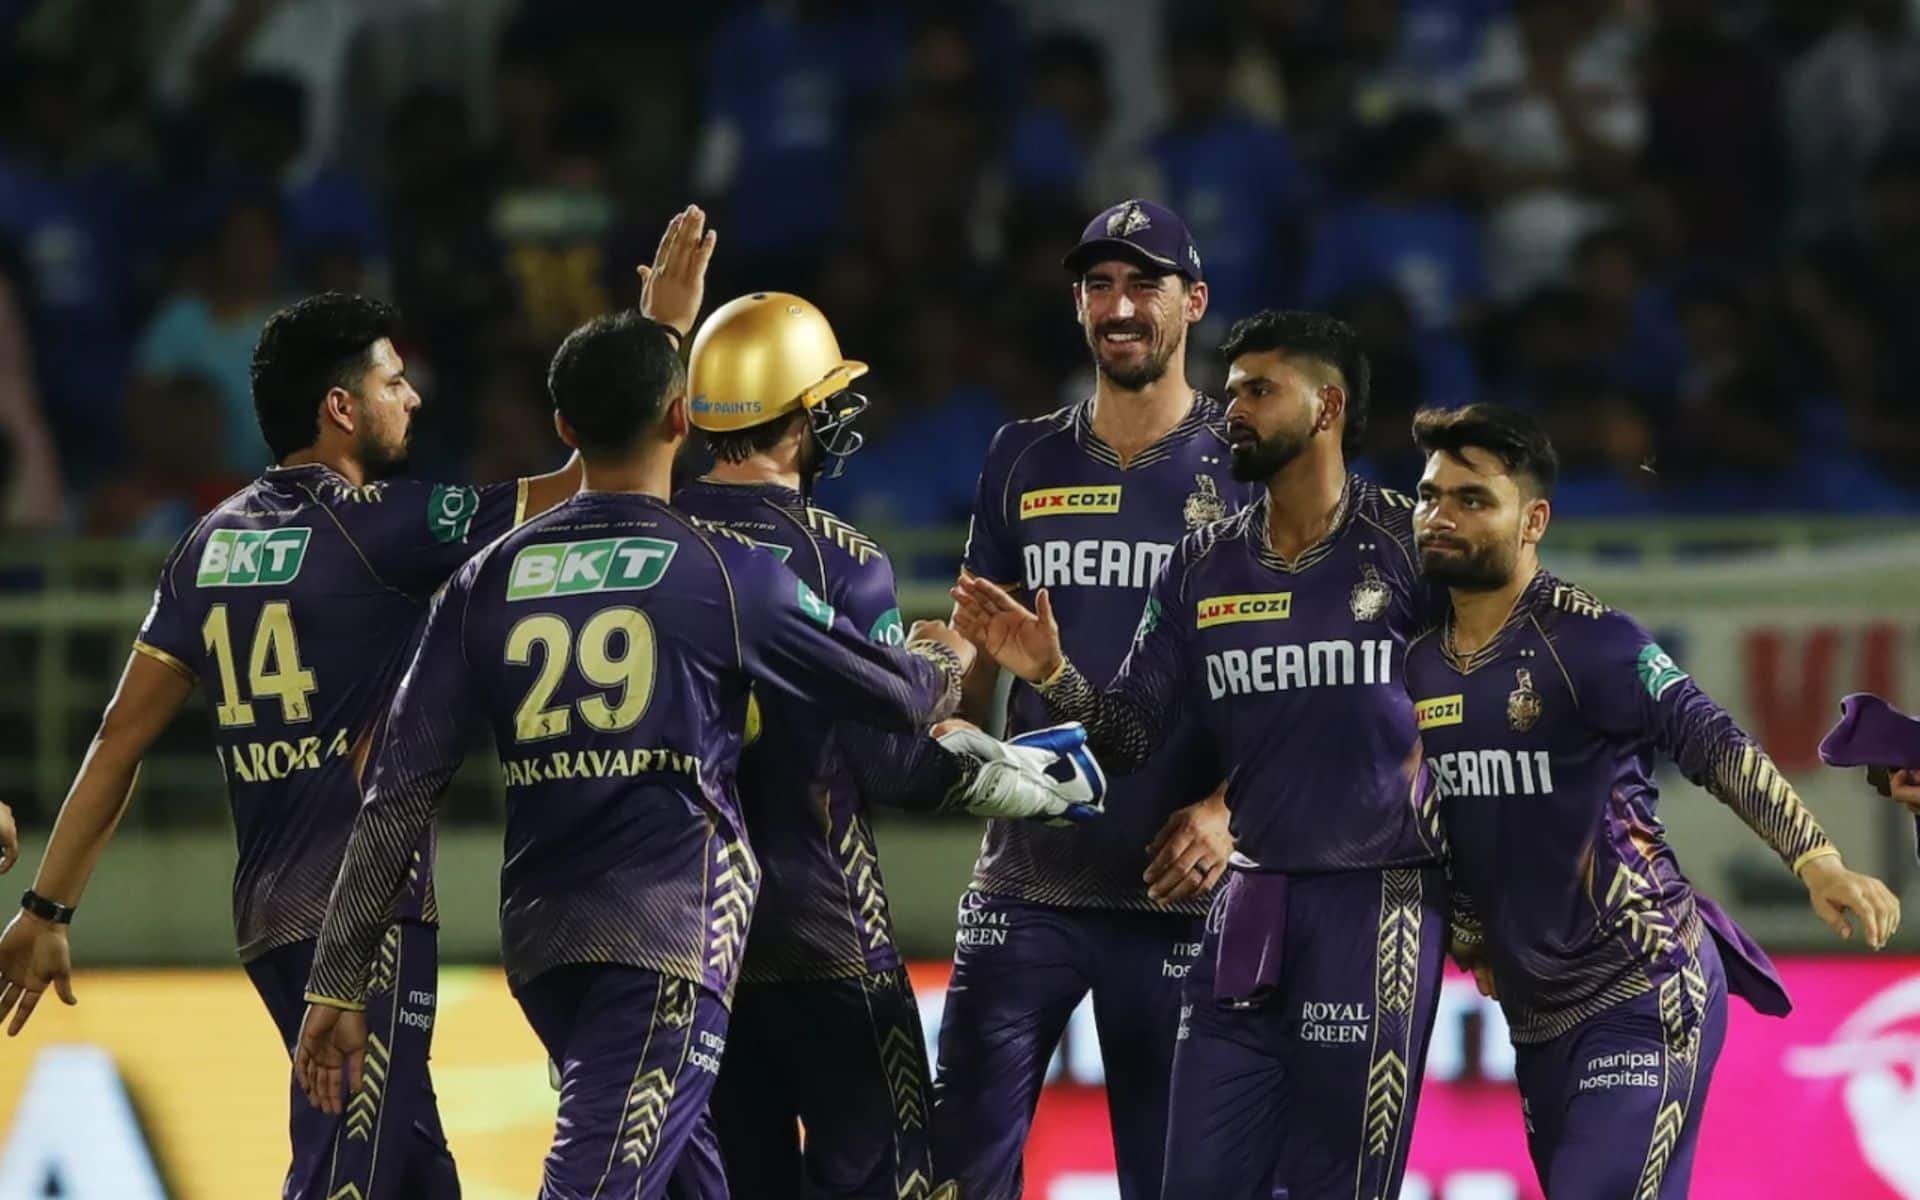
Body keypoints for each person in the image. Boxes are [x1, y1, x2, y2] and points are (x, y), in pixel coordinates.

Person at [289, 310, 1096, 1200]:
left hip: (559, 946)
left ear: (568, 430)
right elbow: (898, 735)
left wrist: (336, 976)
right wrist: (959, 667)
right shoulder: (744, 566)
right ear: (679, 418)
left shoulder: (486, 578)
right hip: (751, 938)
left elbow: (396, 794)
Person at [0, 291, 587, 1199]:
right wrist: (658, 338)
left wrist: (48, 907)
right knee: (345, 1174)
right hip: (364, 919)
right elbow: (587, 486)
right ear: (341, 407)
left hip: (269, 917)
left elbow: (119, 738)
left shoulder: (209, 542)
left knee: (416, 1175)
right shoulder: (386, 523)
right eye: (394, 382)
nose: (414, 399)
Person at [954, 309, 1454, 1199]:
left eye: (1260, 392)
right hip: (1241, 912)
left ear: (1328, 406)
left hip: (1372, 909)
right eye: (1232, 394)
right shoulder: (1201, 563)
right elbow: (1133, 732)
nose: (1234, 412)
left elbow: (1467, 719)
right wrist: (1055, 675)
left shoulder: (1412, 545)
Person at [645, 206, 1065, 1198]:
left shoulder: (646, 541)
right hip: (828, 930)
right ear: (798, 420)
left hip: (687, 938)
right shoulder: (843, 560)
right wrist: (1012, 746)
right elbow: (893, 765)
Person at [1404, 402, 1902, 1198]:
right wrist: (1469, 929)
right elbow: (1454, 815)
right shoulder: (1419, 659)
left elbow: (1712, 740)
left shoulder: (1592, 641)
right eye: (1430, 496)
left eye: (1472, 500)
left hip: (1644, 985)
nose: (1440, 516)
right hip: (1536, 1018)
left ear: (1532, 520)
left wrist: (1818, 860)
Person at [932, 198, 1248, 1200]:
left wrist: (1231, 811)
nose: (1119, 306)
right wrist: (920, 686)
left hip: (1179, 893)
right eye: (1099, 286)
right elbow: (972, 646)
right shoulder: (1020, 456)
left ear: (1192, 303)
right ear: (1078, 306)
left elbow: (1301, 681)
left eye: (1143, 284)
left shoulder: (1247, 468)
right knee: (956, 1177)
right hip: (1026, 885)